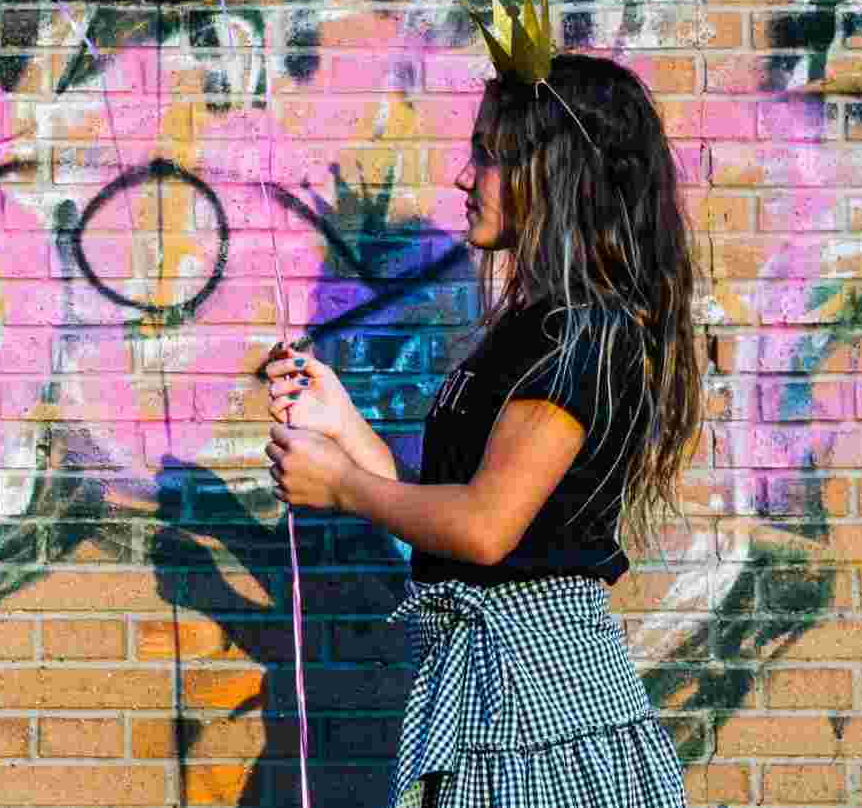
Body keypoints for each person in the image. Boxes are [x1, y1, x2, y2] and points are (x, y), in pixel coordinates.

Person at [265, 47, 702, 808]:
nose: (466, 177)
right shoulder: (531, 328)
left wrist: (341, 486)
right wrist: (341, 425)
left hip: (541, 715)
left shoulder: (577, 336)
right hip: (497, 697)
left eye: (489, 158)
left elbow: (484, 529)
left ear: (555, 175)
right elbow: (446, 510)